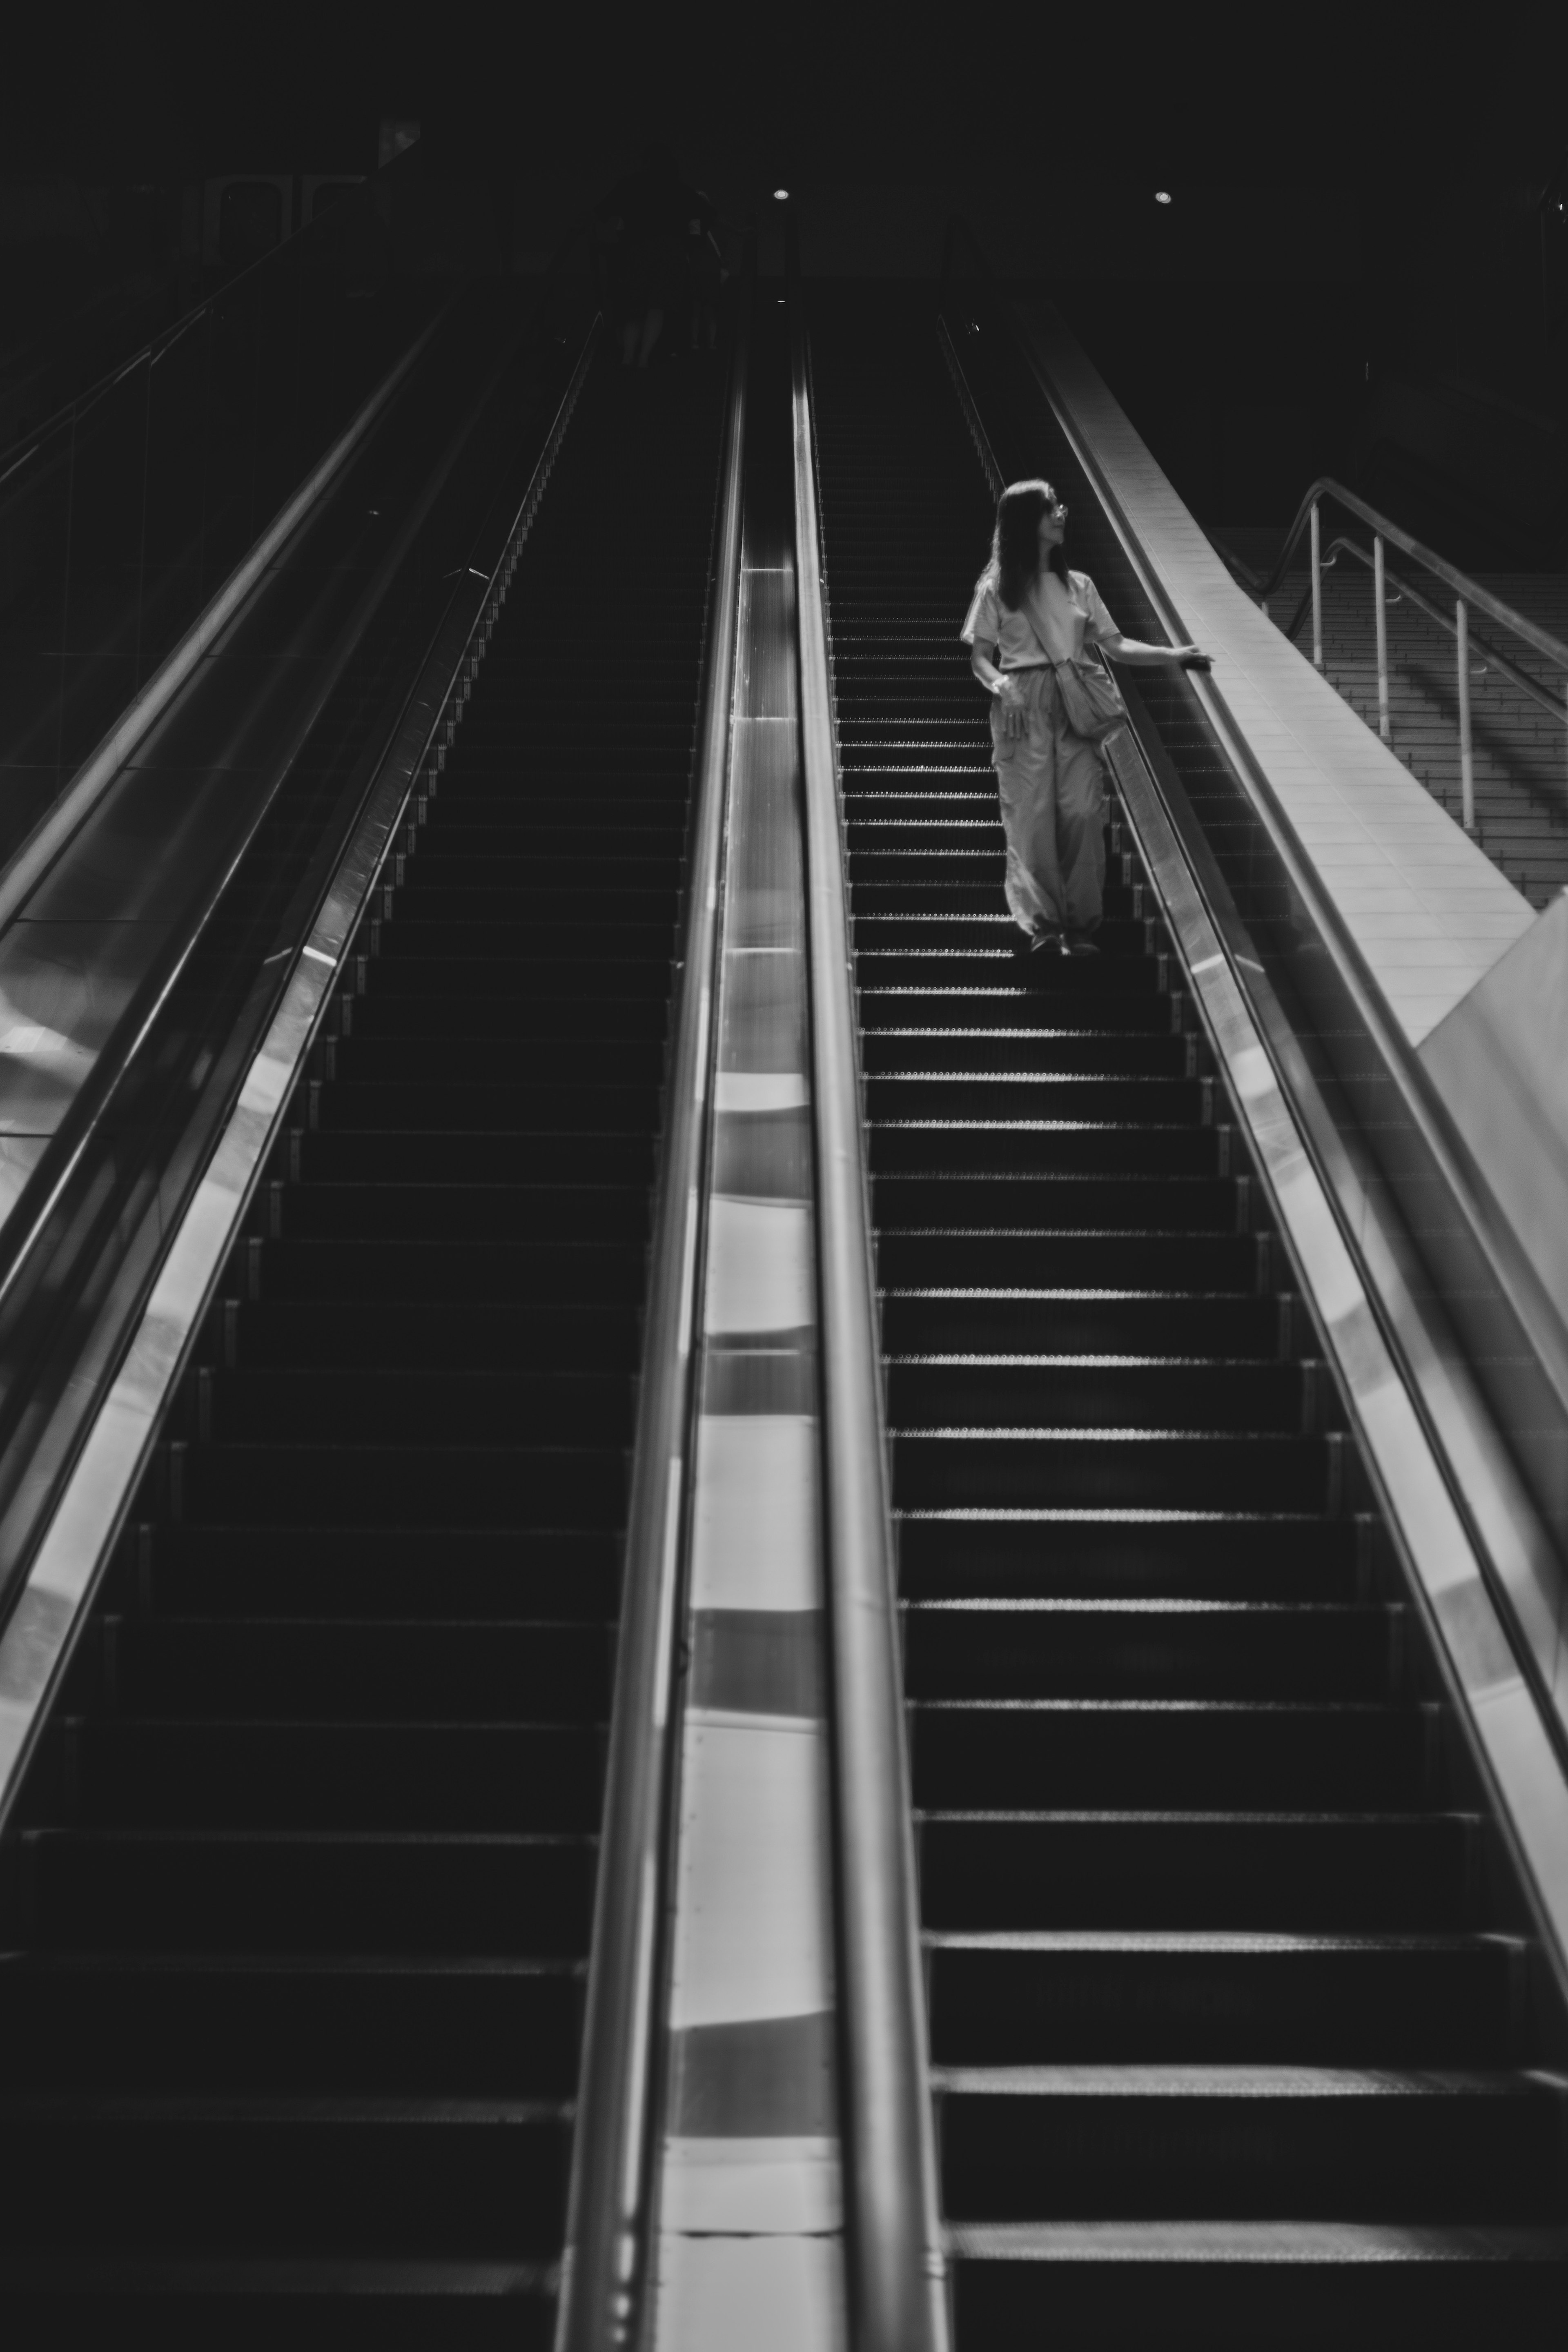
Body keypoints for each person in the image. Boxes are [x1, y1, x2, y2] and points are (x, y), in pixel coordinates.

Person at [962, 478, 1209, 956]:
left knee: (1082, 811)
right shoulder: (996, 588)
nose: (1062, 512)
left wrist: (1174, 654)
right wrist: (1002, 685)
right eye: (1051, 506)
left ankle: (1079, 925)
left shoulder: (1080, 586)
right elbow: (981, 659)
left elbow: (1115, 646)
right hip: (1022, 709)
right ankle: (1045, 926)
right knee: (1031, 817)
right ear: (1025, 521)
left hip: (1075, 703)